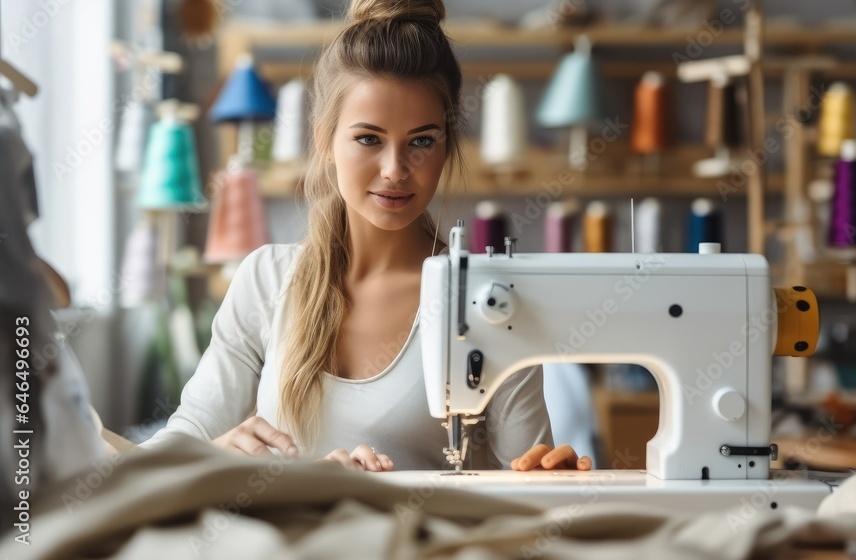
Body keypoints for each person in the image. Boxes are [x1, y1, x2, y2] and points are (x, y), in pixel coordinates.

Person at [144, 0, 591, 473]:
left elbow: (527, 488)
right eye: (368, 139)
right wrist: (218, 452)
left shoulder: (492, 303)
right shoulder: (265, 280)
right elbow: (173, 449)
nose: (395, 170)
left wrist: (550, 477)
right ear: (324, 140)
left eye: (422, 140)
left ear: (447, 145)